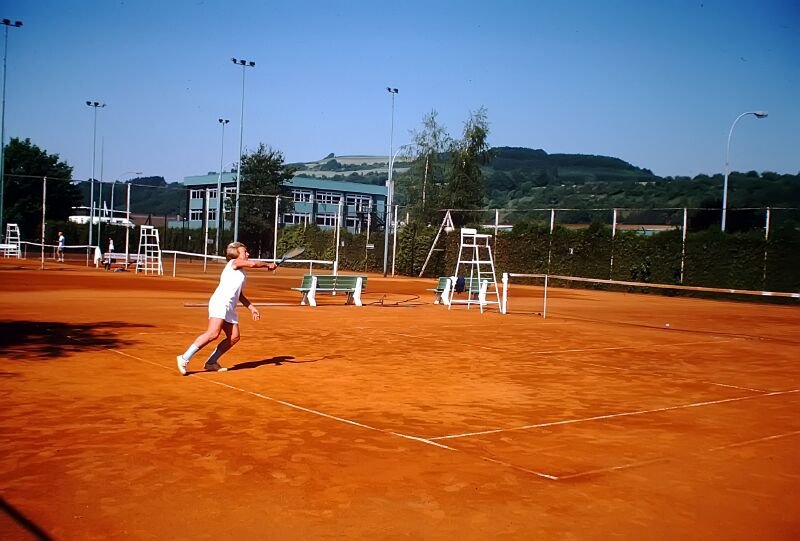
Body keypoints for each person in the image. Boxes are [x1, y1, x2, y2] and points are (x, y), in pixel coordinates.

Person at [176, 241, 277, 375]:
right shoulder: (233, 263)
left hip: (229, 306)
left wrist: (251, 307)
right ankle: (184, 358)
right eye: (245, 251)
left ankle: (211, 362)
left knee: (234, 337)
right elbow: (253, 264)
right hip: (220, 302)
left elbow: (239, 294)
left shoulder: (241, 273)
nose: (248, 254)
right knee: (213, 333)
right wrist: (267, 265)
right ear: (236, 254)